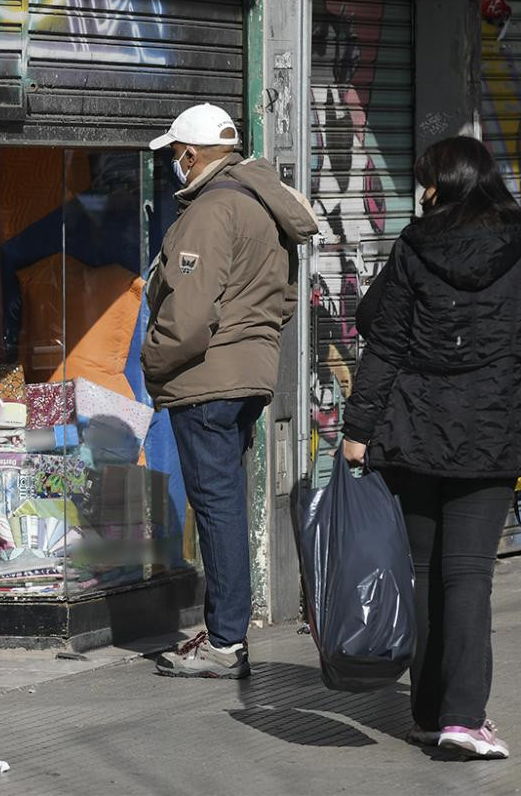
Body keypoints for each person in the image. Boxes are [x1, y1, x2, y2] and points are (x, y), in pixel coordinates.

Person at [341, 136, 521, 758]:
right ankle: (464, 718)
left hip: (415, 431)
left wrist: (358, 432)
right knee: (468, 575)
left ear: (448, 185)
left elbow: (381, 339)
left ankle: (429, 712)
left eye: (428, 183)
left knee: (420, 572)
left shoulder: (413, 247)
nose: (423, 194)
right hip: (495, 432)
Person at [142, 103, 318, 679]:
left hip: (206, 378)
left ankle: (225, 642)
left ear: (191, 154)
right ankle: (225, 634)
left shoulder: (211, 210)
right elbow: (284, 300)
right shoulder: (262, 205)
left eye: (175, 154)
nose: (174, 163)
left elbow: (188, 317)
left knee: (216, 507)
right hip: (246, 375)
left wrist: (154, 361)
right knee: (226, 504)